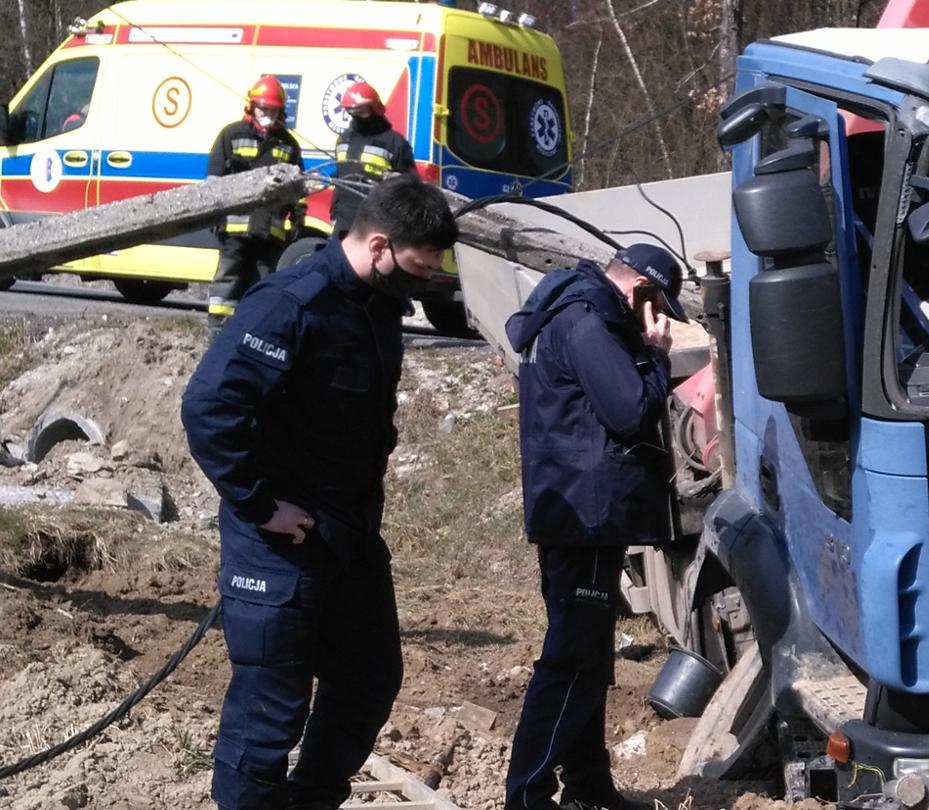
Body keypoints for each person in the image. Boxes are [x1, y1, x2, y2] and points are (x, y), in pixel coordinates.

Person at [181, 176, 458, 810]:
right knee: (269, 712)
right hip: (278, 542)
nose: (422, 287)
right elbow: (209, 407)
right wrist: (257, 503)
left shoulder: (377, 304)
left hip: (348, 535)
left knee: (368, 679)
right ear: (380, 246)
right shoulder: (291, 304)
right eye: (417, 271)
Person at [502, 243, 687, 810]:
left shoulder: (574, 314)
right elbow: (630, 409)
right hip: (585, 514)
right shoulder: (586, 324)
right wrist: (656, 356)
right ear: (640, 291)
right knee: (571, 661)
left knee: (585, 657)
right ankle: (528, 795)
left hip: (577, 509)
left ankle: (588, 787)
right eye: (658, 306)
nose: (658, 320)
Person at [207, 75, 306, 336]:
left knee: (265, 282)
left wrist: (298, 217)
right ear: (252, 107)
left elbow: (298, 186)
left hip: (269, 229)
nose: (268, 115)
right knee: (229, 276)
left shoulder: (288, 144)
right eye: (264, 109)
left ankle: (256, 329)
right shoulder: (231, 135)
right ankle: (219, 330)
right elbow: (214, 181)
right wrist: (214, 215)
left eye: (273, 110)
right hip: (234, 227)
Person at [330, 81, 416, 236]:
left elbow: (410, 185)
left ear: (375, 110)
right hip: (343, 221)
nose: (356, 117)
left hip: (377, 222)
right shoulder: (344, 140)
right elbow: (339, 179)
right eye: (352, 112)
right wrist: (334, 214)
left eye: (361, 112)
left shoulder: (394, 142)